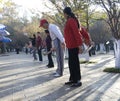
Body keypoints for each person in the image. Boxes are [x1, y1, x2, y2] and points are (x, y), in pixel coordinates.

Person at [63, 7, 91, 87]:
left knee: (74, 63)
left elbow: (76, 32)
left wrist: (80, 45)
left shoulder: (71, 20)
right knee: (71, 63)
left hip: (74, 45)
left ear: (66, 13)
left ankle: (78, 80)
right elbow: (80, 31)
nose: (64, 15)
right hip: (70, 46)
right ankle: (72, 79)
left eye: (64, 14)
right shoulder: (71, 20)